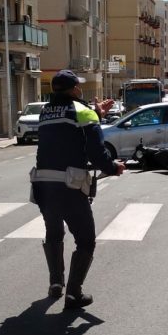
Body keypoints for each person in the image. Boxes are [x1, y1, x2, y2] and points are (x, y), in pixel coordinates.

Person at [30, 69, 125, 310]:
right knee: (86, 240)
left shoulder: (45, 112)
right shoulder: (83, 112)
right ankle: (74, 294)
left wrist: (96, 114)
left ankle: (55, 283)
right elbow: (96, 151)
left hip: (43, 185)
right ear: (74, 89)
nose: (80, 89)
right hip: (70, 186)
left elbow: (66, 135)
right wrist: (113, 167)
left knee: (53, 233)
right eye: (78, 86)